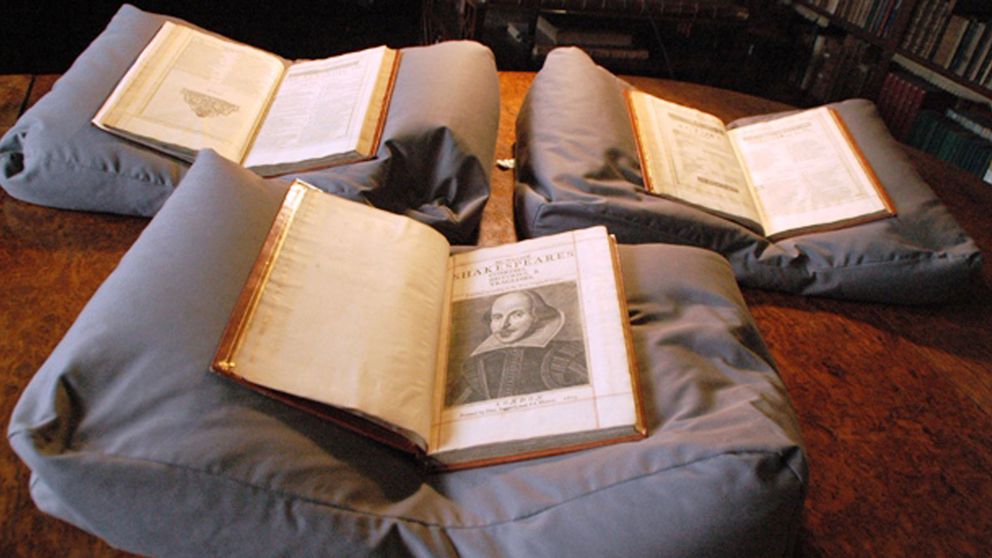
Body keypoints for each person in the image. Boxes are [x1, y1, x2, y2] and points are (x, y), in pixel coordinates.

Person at [446, 289, 588, 406]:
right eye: (497, 317)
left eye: (517, 315)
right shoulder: (476, 366)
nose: (504, 325)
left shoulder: (565, 357)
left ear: (536, 317)